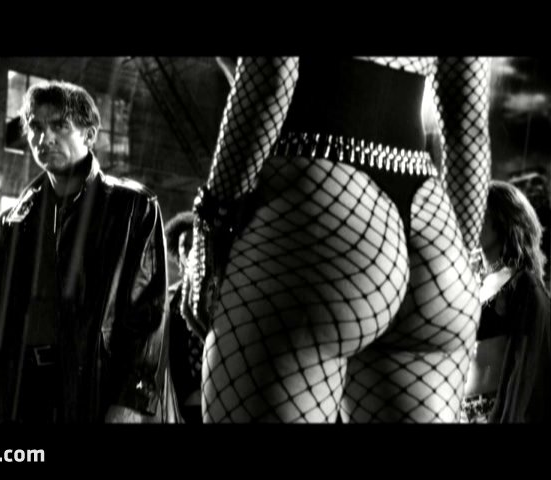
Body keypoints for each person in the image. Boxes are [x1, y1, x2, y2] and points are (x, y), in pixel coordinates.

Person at [182, 57, 491, 422]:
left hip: (317, 210)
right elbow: (468, 125)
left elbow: (272, 75)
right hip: (432, 233)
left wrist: (211, 227)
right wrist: (463, 267)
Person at [0, 80, 174, 423]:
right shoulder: (17, 216)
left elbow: (147, 314)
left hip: (94, 384)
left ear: (90, 134)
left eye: (59, 126)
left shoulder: (131, 207)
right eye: (35, 127)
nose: (44, 138)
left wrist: (131, 399)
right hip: (23, 388)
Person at [462, 180, 550, 422]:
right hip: (460, 412)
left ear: (502, 221)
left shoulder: (523, 285)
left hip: (496, 413)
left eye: (481, 213)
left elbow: (529, 363)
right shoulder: (470, 282)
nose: (471, 221)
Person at [165, 211, 203, 423]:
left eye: (194, 243)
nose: (189, 250)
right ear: (177, 251)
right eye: (184, 246)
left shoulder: (219, 292)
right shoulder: (168, 298)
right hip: (179, 402)